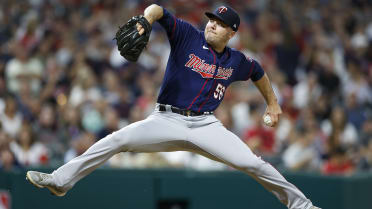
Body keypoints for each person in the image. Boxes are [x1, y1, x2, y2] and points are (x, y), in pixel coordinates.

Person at [26, 4, 320, 209]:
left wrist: (272, 102)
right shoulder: (187, 35)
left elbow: (258, 72)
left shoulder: (237, 61)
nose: (212, 25)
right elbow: (158, 10)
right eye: (211, 20)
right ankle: (61, 181)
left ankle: (302, 205)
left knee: (253, 163)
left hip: (205, 125)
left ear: (231, 33)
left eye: (219, 24)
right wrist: (145, 20)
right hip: (165, 120)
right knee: (117, 139)